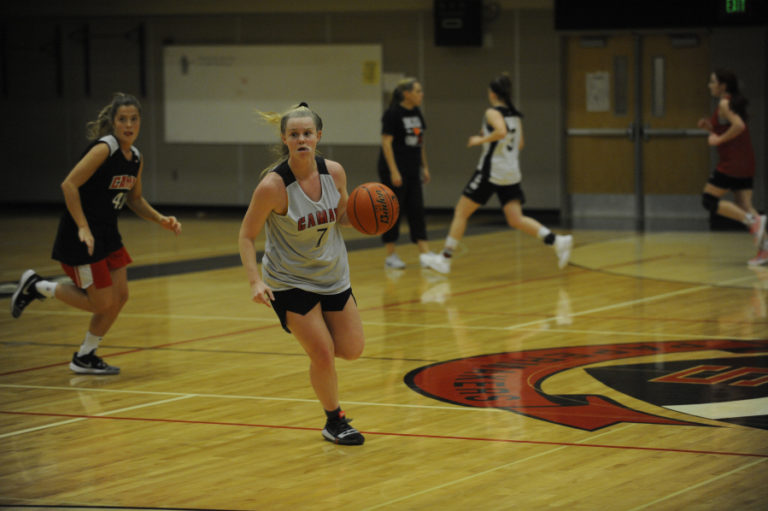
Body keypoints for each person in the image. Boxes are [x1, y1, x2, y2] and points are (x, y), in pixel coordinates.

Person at [10, 92, 182, 374]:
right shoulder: (105, 148)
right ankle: (37, 286)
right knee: (101, 303)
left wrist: (160, 219)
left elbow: (134, 199)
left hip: (107, 234)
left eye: (134, 119)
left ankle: (85, 356)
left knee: (121, 295)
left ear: (140, 122)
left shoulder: (135, 157)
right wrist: (82, 227)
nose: (129, 124)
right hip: (82, 237)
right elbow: (69, 185)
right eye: (123, 119)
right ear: (114, 123)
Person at [239, 103, 365, 446]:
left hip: (333, 274)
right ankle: (334, 420)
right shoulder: (273, 187)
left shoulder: (334, 173)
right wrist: (255, 280)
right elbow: (247, 235)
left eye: (307, 133)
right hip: (290, 280)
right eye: (294, 134)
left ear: (318, 137)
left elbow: (341, 216)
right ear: (285, 139)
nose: (301, 139)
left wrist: (368, 215)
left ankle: (319, 358)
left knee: (352, 349)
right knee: (323, 353)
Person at [421, 73, 572, 275]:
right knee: (515, 219)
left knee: (461, 212)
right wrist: (495, 141)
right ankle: (556, 241)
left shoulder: (492, 113)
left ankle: (445, 259)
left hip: (491, 172)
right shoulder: (515, 115)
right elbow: (520, 143)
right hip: (511, 172)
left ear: (492, 93)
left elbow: (501, 132)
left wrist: (479, 140)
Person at [697, 69, 766, 266]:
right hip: (745, 161)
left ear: (723, 85)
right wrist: (710, 128)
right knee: (745, 205)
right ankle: (765, 250)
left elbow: (738, 127)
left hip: (732, 163)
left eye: (712, 82)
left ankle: (752, 221)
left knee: (709, 200)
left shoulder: (725, 104)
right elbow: (729, 128)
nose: (709, 85)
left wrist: (718, 139)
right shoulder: (731, 103)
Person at [378, 77, 436, 270]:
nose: (421, 94)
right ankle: (390, 255)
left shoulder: (417, 112)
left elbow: (420, 141)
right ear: (406, 94)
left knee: (417, 209)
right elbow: (386, 143)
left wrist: (424, 166)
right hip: (394, 169)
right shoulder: (393, 114)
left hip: (412, 169)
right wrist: (394, 171)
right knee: (393, 211)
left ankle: (425, 253)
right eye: (418, 91)